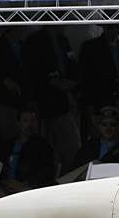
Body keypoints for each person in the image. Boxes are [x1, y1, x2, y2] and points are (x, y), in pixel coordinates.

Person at [26, 25, 82, 167]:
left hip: (66, 97)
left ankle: (69, 173)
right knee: (53, 142)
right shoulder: (36, 41)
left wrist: (73, 82)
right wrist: (50, 82)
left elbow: (72, 65)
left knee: (70, 143)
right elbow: (33, 70)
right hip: (46, 99)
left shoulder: (63, 41)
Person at [79, 23, 119, 135]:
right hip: (100, 102)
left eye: (118, 27)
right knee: (101, 137)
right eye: (111, 27)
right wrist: (88, 104)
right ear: (103, 27)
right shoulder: (91, 47)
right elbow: (85, 78)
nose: (114, 30)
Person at [0, 108, 58, 195]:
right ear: (18, 124)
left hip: (30, 187)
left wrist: (25, 184)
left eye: (32, 121)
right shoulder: (8, 144)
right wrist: (4, 183)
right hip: (5, 186)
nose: (29, 125)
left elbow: (48, 172)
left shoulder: (43, 146)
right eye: (25, 121)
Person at [68, 106, 119, 171]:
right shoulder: (88, 146)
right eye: (104, 124)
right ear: (99, 127)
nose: (108, 127)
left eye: (113, 124)